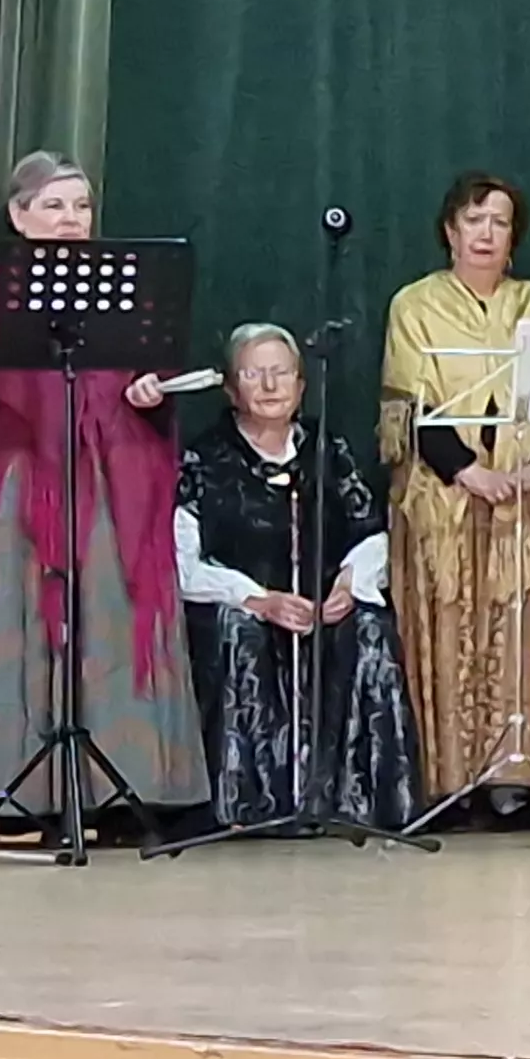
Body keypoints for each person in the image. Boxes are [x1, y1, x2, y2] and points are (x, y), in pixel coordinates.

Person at [0, 150, 207, 829]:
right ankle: (30, 795)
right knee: (28, 622)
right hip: (26, 482)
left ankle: (119, 790)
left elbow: (151, 370)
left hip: (113, 478)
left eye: (80, 206)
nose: (70, 220)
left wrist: (148, 389)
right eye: (53, 205)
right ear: (19, 217)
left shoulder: (125, 287)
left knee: (111, 618)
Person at [378, 171, 530, 816]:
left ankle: (521, 776)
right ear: (450, 231)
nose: (487, 233)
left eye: (500, 221)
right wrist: (469, 472)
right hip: (450, 501)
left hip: (528, 500)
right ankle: (451, 780)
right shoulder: (415, 305)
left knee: (525, 638)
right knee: (454, 634)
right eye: (474, 219)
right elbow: (411, 405)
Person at [174, 323, 419, 831]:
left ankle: (363, 801)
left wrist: (350, 583)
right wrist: (256, 599)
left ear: (301, 385)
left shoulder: (327, 449)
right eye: (254, 374)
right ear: (230, 388)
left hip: (319, 609)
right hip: (246, 612)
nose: (269, 387)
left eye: (281, 374)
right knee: (238, 632)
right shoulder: (205, 458)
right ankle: (249, 806)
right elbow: (184, 563)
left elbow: (372, 532)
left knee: (370, 629)